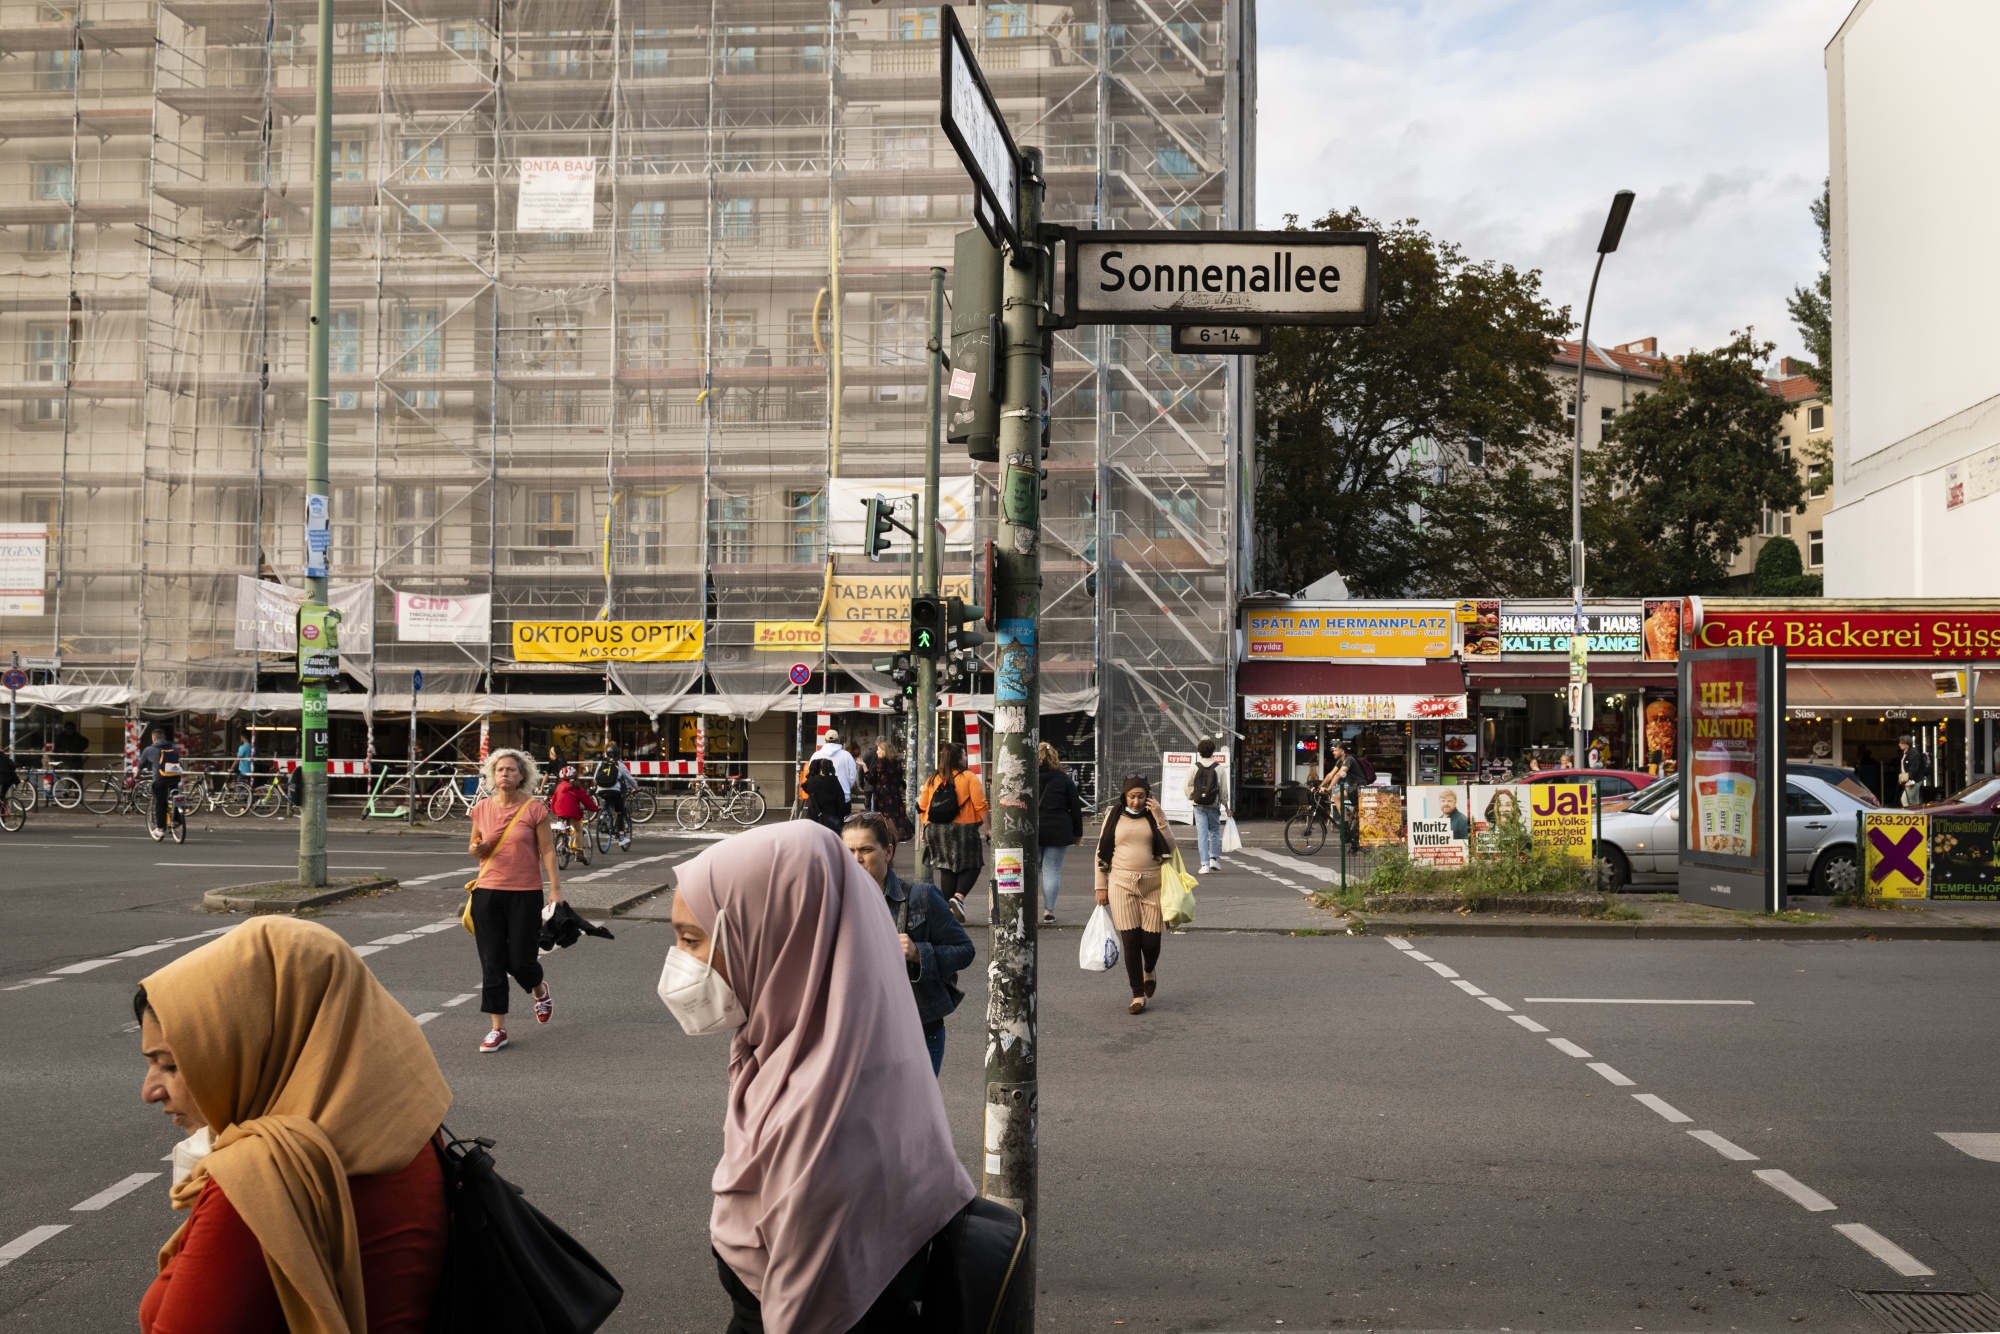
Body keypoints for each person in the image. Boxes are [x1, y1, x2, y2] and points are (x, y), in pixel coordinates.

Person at [664, 822, 976, 1334]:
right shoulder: (816, 1052)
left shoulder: (822, 1118)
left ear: (774, 936)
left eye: (691, 939)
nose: (680, 962)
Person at [134, 916, 451, 1334]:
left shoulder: (263, 1184)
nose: (150, 1090)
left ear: (255, 1045)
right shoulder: (410, 1130)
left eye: (171, 1065)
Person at [842, 812, 975, 1076]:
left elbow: (964, 951)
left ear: (888, 851)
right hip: (856, 1037)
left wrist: (918, 953)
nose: (857, 859)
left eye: (866, 850)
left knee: (912, 1116)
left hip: (916, 1033)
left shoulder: (921, 898)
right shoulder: (835, 904)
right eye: (849, 851)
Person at [466, 748, 563, 1054]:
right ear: (492, 776)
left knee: (520, 961)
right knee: (492, 961)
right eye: (499, 770)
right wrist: (477, 850)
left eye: (511, 769)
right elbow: (473, 845)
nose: (504, 774)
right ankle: (498, 1029)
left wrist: (555, 890)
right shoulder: (481, 808)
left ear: (523, 775)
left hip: (525, 893)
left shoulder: (535, 809)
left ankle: (540, 989)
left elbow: (547, 850)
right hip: (488, 892)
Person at [1094, 773, 1176, 1015]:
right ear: (1124, 795)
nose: (1136, 802)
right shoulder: (1113, 815)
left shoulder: (1155, 815)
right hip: (1121, 883)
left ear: (1148, 796)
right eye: (1132, 796)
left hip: (1154, 884)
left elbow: (1171, 847)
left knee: (1151, 942)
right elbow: (1101, 851)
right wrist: (1101, 885)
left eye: (1141, 796)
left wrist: (1161, 818)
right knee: (1130, 941)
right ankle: (1137, 994)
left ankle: (1149, 969)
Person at [918, 743, 988, 924]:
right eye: (964, 755)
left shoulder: (933, 778)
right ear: (958, 758)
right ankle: (958, 897)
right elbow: (980, 805)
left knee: (947, 868)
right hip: (963, 829)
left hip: (936, 829)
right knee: (973, 864)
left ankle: (949, 915)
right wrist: (989, 828)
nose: (966, 758)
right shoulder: (968, 777)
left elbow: (923, 806)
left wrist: (923, 829)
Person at [1036, 743, 1085, 925]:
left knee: (1033, 870)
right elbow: (1075, 807)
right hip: (1058, 828)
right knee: (1052, 870)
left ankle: (1028, 909)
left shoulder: (1027, 777)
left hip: (1032, 829)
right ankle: (1048, 911)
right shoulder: (1063, 779)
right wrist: (1077, 832)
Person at [1183, 738, 1226, 873]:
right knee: (1214, 831)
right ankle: (1214, 859)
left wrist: (1192, 796)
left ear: (1199, 752)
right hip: (1213, 804)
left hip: (1198, 805)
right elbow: (1223, 789)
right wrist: (1225, 803)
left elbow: (1187, 785)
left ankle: (1204, 864)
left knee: (1202, 834)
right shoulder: (1218, 768)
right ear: (1213, 751)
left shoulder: (1194, 767)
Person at [138, 725, 185, 841]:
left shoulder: (149, 750)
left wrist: (136, 776)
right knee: (176, 796)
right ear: (164, 737)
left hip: (160, 779)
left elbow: (140, 765)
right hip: (175, 778)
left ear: (153, 738)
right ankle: (178, 819)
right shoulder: (173, 747)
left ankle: (160, 828)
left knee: (160, 802)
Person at [594, 743, 636, 849]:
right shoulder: (619, 764)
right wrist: (636, 787)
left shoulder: (601, 763)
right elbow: (629, 778)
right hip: (615, 791)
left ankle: (603, 815)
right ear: (618, 755)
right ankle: (621, 838)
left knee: (607, 800)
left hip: (601, 791)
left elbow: (595, 778)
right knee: (619, 811)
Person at [869, 738, 909, 840]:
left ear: (884, 751)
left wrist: (864, 767)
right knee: (895, 815)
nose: (877, 751)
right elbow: (899, 777)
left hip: (882, 794)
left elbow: (871, 780)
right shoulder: (897, 763)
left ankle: (887, 835)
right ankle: (897, 834)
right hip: (894, 793)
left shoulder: (879, 763)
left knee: (883, 816)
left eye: (878, 749)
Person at [550, 763, 600, 839]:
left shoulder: (559, 786)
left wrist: (555, 811)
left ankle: (564, 841)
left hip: (559, 811)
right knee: (578, 829)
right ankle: (578, 849)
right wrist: (595, 808)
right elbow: (586, 800)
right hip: (572, 812)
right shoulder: (576, 787)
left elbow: (554, 800)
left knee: (565, 826)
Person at [810, 728, 859, 805]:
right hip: (843, 795)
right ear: (838, 740)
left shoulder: (816, 755)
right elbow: (853, 775)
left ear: (825, 740)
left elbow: (811, 774)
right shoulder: (846, 755)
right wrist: (846, 787)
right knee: (842, 817)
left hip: (821, 796)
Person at [804, 757, 848, 834]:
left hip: (814, 818)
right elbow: (841, 802)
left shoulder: (812, 782)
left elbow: (805, 785)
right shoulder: (835, 781)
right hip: (831, 819)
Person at [1898, 735, 1931, 808]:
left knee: (1904, 799)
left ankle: (1908, 815)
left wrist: (1910, 780)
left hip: (1915, 780)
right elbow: (1905, 768)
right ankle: (1917, 814)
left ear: (1906, 744)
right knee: (1914, 801)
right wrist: (1903, 779)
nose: (1899, 744)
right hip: (1912, 780)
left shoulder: (1913, 753)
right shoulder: (1906, 753)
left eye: (1901, 743)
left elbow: (1914, 768)